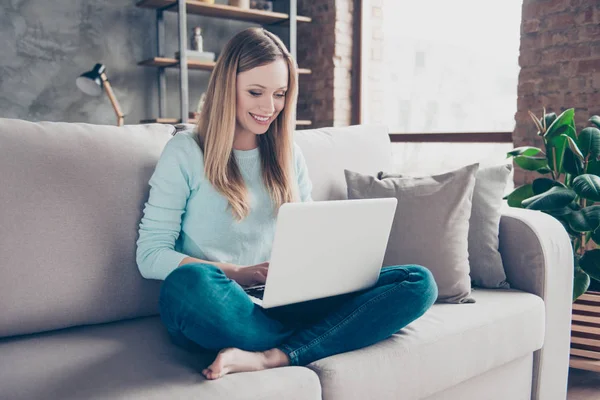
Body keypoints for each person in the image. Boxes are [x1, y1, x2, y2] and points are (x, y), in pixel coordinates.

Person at [136, 27, 438, 381]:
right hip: (224, 303)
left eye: (279, 94)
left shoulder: (287, 155)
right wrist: (238, 272)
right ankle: (325, 336)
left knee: (418, 282)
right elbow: (150, 255)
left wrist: (332, 269)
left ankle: (274, 356)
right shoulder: (186, 151)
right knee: (188, 284)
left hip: (283, 303)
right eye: (255, 92)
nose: (269, 108)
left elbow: (311, 237)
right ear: (226, 88)